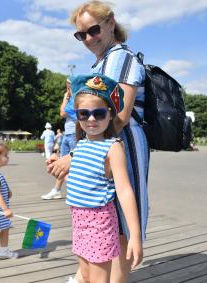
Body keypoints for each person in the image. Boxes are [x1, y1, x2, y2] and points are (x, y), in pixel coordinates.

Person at [49, 2, 150, 282]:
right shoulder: (105, 61)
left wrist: (76, 155)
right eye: (81, 35)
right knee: (110, 223)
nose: (89, 39)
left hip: (122, 144)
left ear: (110, 23)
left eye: (93, 30)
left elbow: (121, 115)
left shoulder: (121, 58)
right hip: (104, 146)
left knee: (122, 224)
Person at [67, 74, 142, 282]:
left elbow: (125, 190)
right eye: (84, 113)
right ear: (78, 116)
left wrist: (134, 235)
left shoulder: (112, 146)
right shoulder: (80, 144)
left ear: (110, 114)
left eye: (98, 113)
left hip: (99, 222)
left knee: (99, 279)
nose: (91, 119)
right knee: (86, 274)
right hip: (78, 220)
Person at [42, 84, 77, 200]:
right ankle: (57, 190)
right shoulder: (70, 97)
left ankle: (76, 191)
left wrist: (66, 99)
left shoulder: (78, 96)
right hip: (68, 133)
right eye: (67, 85)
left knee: (74, 165)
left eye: (69, 85)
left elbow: (63, 113)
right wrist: (66, 98)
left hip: (75, 134)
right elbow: (62, 113)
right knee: (62, 164)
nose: (68, 87)